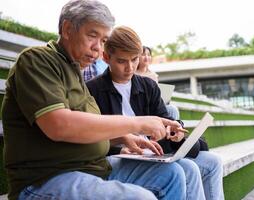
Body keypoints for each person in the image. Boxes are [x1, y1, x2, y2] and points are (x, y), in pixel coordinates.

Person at [2, 1, 201, 200]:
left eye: (104, 40)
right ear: (67, 29)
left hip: (95, 168)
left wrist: (124, 138)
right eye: (92, 35)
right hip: (45, 179)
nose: (98, 48)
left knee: (173, 174)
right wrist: (137, 123)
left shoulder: (75, 72)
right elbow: (59, 125)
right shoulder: (37, 60)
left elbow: (81, 130)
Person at [87, 26, 225, 200]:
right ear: (106, 58)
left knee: (213, 162)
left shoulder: (148, 86)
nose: (130, 67)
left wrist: (174, 133)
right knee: (188, 169)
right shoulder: (93, 90)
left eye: (134, 59)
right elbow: (92, 137)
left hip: (155, 154)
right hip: (120, 157)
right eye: (122, 61)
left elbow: (165, 120)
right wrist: (118, 149)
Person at [136, 46, 180, 120]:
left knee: (172, 109)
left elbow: (156, 94)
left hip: (153, 105)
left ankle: (172, 129)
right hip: (141, 106)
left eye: (149, 55)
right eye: (143, 55)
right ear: (137, 57)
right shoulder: (133, 74)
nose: (146, 57)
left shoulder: (154, 75)